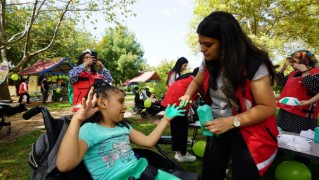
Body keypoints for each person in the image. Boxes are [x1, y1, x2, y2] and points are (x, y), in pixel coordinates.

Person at [179, 11, 278, 179]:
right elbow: (196, 81)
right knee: (211, 171)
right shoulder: (208, 60)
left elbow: (267, 107)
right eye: (200, 43)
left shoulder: (254, 65)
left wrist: (232, 122)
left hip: (247, 129)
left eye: (208, 44)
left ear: (226, 42)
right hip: (218, 125)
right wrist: (188, 94)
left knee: (245, 173)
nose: (202, 49)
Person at [56, 82, 185, 179]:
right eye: (120, 101)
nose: (125, 106)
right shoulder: (89, 130)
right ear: (102, 103)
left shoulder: (123, 127)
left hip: (145, 173)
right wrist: (77, 119)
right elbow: (64, 165)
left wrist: (165, 120)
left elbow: (148, 141)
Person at [276, 50, 319, 133]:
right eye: (290, 62)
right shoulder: (293, 73)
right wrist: (281, 72)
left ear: (304, 61)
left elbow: (312, 86)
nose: (292, 64)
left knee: (297, 141)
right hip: (284, 112)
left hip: (302, 117)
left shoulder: (317, 72)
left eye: (294, 61)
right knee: (281, 137)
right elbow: (282, 83)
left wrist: (305, 71)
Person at [161, 67, 199, 162]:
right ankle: (182, 154)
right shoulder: (195, 80)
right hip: (178, 104)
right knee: (182, 129)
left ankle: (177, 153)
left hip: (170, 103)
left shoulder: (185, 78)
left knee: (175, 129)